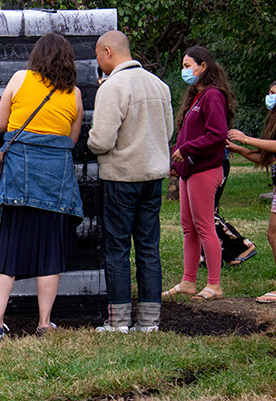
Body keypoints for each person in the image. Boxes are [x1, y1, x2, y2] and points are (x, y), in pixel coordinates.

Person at [0, 33, 84, 340]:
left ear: (37, 56)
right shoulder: (75, 94)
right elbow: (71, 140)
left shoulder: (19, 79)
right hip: (55, 187)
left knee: (6, 253)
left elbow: (0, 125)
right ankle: (43, 323)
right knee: (49, 254)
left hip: (17, 183)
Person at [87, 30, 173, 333]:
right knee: (149, 248)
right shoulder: (159, 85)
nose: (97, 61)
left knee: (117, 249)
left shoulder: (113, 87)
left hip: (121, 177)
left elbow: (101, 140)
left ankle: (119, 321)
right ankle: (149, 323)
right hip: (152, 177)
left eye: (97, 55)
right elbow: (169, 132)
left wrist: (89, 142)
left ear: (108, 51)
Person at [165, 46, 235, 301]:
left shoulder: (213, 95)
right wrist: (177, 156)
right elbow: (188, 133)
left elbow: (217, 135)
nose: (184, 70)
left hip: (205, 169)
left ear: (203, 66)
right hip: (188, 170)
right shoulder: (196, 96)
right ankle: (188, 281)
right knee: (188, 227)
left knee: (204, 225)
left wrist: (186, 149)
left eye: (187, 65)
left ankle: (214, 284)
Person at [227, 78, 276, 303]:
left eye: (273, 92)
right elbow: (267, 158)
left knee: (275, 235)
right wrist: (240, 148)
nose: (269, 96)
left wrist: (245, 138)